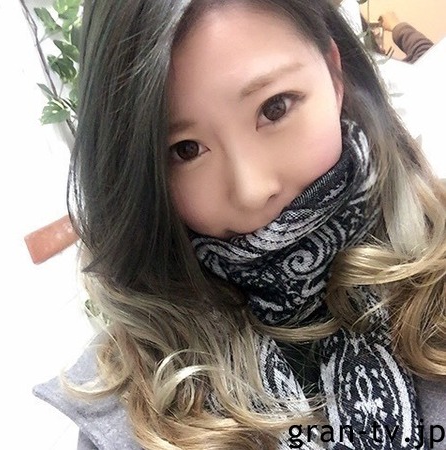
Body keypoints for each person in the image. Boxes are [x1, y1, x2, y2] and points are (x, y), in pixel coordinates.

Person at [33, 0, 446, 449]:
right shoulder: (129, 405)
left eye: (275, 108)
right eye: (186, 150)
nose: (251, 190)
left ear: (334, 73)